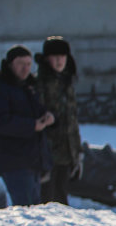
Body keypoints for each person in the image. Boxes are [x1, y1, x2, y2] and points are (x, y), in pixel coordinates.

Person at [0, 45, 53, 206]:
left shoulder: (28, 87)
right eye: (21, 64)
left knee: (35, 208)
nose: (25, 68)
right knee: (27, 208)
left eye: (29, 64)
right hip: (14, 160)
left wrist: (48, 117)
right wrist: (32, 125)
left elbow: (37, 110)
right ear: (9, 64)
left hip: (32, 158)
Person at [34, 36, 82, 205]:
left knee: (61, 199)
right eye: (55, 56)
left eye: (62, 56)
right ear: (47, 59)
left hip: (66, 153)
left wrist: (77, 153)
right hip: (47, 153)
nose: (59, 60)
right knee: (47, 202)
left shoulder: (66, 82)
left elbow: (72, 120)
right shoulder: (40, 83)